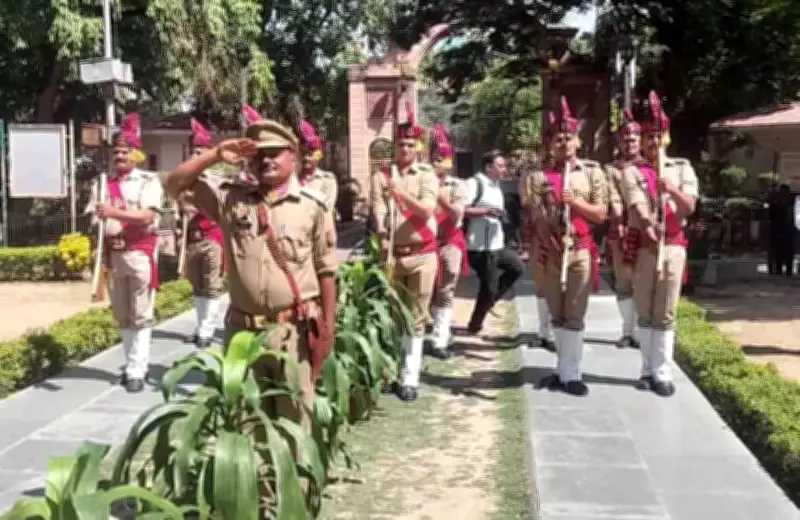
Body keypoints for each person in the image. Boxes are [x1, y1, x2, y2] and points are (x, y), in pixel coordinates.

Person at [161, 110, 338, 429]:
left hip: (293, 331)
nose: (266, 160)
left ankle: (298, 480)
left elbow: (326, 271)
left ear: (293, 157)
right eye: (259, 155)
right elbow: (174, 185)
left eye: (274, 154)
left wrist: (327, 327)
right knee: (249, 421)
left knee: (296, 418)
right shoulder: (230, 199)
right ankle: (260, 480)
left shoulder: (313, 206)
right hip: (243, 331)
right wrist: (215, 155)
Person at [527, 96, 607, 396]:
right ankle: (561, 369)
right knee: (556, 312)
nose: (563, 143)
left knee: (575, 313)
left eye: (568, 138)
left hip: (580, 251)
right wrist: (545, 233)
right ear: (550, 144)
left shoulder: (592, 172)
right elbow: (534, 213)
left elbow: (601, 213)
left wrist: (576, 202)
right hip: (550, 251)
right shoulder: (537, 177)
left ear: (576, 142)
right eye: (557, 138)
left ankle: (573, 373)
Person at [623, 91, 698, 397]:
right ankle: (645, 369)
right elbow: (637, 205)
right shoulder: (633, 171)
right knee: (645, 310)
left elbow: (689, 208)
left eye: (658, 136)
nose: (653, 142)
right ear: (643, 141)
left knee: (665, 311)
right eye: (649, 137)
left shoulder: (681, 168)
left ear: (665, 138)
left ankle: (662, 372)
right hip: (646, 246)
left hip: (673, 247)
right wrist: (648, 226)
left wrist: (672, 190)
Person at [86, 113, 164, 393]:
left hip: (139, 253)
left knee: (140, 314)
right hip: (113, 255)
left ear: (137, 154)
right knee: (122, 314)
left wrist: (115, 212)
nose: (119, 156)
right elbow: (94, 219)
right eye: (116, 151)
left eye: (124, 151)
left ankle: (137, 370)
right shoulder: (103, 184)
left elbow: (145, 217)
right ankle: (131, 363)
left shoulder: (148, 182)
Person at [370, 104, 438, 401]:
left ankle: (411, 377)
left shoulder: (426, 175)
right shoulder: (381, 175)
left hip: (423, 254)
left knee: (417, 317)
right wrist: (384, 238)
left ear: (418, 147)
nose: (406, 149)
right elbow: (377, 210)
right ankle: (392, 371)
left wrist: (401, 193)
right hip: (393, 255)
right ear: (394, 146)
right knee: (394, 314)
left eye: (410, 144)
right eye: (401, 144)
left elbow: (426, 211)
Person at [464, 149, 524, 335]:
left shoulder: (496, 185)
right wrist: (485, 212)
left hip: (497, 245)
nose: (504, 169)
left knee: (517, 268)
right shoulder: (474, 184)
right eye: (500, 166)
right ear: (489, 167)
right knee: (488, 286)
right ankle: (475, 325)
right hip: (480, 247)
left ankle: (488, 303)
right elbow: (463, 209)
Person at [177, 118, 225, 348]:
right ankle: (200, 326)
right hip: (192, 238)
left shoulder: (216, 179)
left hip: (212, 237)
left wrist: (199, 207)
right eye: (193, 151)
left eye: (200, 151)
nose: (195, 154)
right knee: (196, 285)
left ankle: (208, 329)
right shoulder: (184, 180)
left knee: (211, 284)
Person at [428, 124, 469, 359]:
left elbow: (456, 214)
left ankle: (440, 339)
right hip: (426, 243)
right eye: (434, 158)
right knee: (429, 290)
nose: (437, 163)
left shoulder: (457, 185)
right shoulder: (422, 182)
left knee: (446, 289)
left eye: (442, 159)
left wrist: (437, 193)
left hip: (450, 241)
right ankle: (435, 329)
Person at [604, 109, 642, 349]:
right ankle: (627, 330)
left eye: (633, 138)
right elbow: (611, 197)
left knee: (645, 281)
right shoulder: (611, 169)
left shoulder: (650, 166)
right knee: (624, 282)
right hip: (621, 230)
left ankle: (641, 330)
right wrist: (618, 223)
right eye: (625, 138)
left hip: (645, 229)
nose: (629, 142)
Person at [520, 142, 555, 351]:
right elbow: (527, 206)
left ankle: (558, 330)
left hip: (567, 239)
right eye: (545, 150)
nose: (549, 154)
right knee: (541, 285)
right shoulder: (531, 176)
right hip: (539, 236)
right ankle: (544, 332)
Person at [297, 120, 338, 211]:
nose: (306, 158)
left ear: (318, 156)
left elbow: (327, 208)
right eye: (303, 154)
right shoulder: (292, 178)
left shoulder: (327, 179)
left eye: (310, 155)